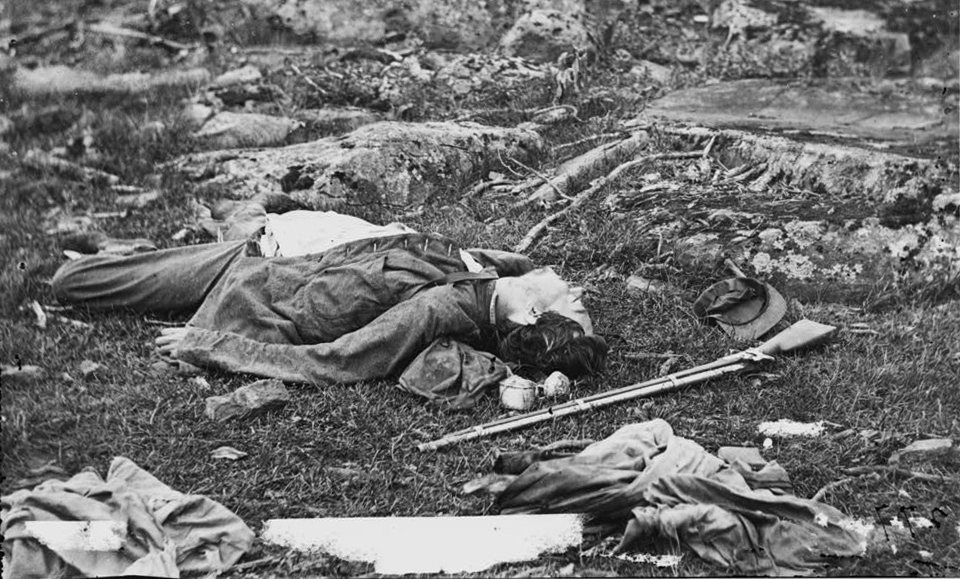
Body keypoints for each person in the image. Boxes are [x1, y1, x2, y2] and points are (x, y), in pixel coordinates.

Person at [51, 210, 607, 386]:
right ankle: (124, 249)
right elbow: (520, 270)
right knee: (90, 275)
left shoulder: (442, 311)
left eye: (575, 302)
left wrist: (208, 344)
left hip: (249, 286)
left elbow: (335, 362)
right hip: (283, 247)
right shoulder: (492, 277)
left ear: (534, 312)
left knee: (70, 285)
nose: (579, 290)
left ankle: (120, 259)